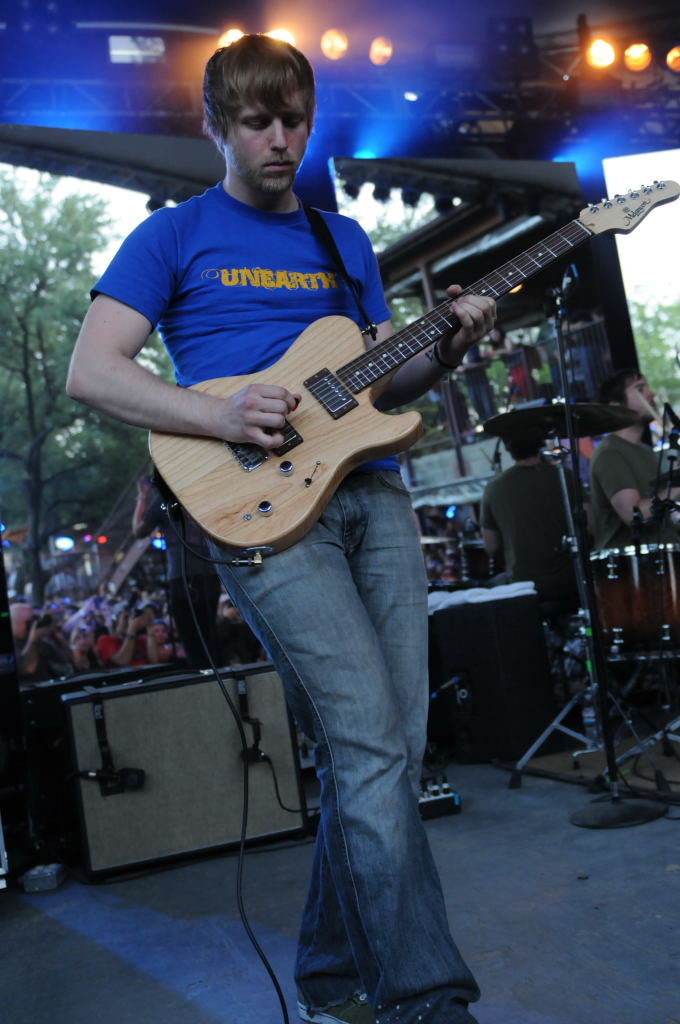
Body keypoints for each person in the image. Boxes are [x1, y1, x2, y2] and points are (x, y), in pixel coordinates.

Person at [66, 34, 496, 1024]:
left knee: (394, 746)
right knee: (368, 744)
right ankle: (425, 999)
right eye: (257, 122)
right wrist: (219, 415)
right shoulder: (171, 236)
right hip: (259, 503)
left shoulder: (341, 241)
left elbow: (384, 380)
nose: (279, 140)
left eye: (294, 121)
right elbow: (93, 371)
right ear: (213, 125)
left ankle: (332, 969)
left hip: (371, 490)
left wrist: (449, 344)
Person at [480, 428, 584, 611]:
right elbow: (589, 526)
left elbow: (491, 546)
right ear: (539, 443)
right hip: (572, 580)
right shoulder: (564, 475)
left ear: (507, 447)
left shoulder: (494, 488)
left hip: (524, 585)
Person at [132, 475, 222, 668]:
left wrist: (142, 497)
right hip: (211, 571)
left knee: (189, 634)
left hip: (182, 576)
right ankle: (218, 670)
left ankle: (202, 674)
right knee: (209, 629)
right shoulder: (199, 493)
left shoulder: (163, 501)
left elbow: (139, 531)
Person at [589, 369, 680, 550]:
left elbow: (663, 511)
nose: (651, 394)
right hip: (634, 562)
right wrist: (677, 488)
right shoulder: (610, 453)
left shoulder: (646, 451)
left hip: (663, 553)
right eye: (640, 389)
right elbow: (633, 515)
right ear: (616, 405)